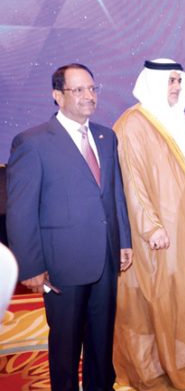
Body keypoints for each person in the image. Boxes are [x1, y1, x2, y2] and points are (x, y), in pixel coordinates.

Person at [6, 63, 132, 391]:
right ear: (58, 96)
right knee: (66, 344)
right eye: (79, 90)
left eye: (92, 88)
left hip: (105, 259)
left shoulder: (106, 136)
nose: (89, 96)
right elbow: (21, 211)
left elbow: (115, 194)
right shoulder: (32, 142)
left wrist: (123, 241)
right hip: (63, 265)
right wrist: (30, 266)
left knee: (101, 340)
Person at [113, 59, 185, 390]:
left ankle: (184, 354)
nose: (176, 87)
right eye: (170, 81)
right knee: (157, 295)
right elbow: (131, 181)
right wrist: (150, 226)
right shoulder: (132, 124)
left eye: (178, 81)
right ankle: (153, 363)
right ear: (154, 82)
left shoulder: (182, 119)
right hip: (158, 233)